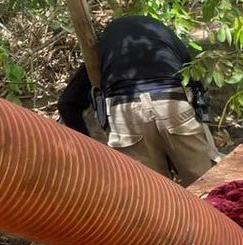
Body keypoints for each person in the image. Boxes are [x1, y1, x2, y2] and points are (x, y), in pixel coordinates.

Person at [58, 15, 219, 185]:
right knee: (208, 189)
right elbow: (196, 85)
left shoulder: (104, 49)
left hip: (125, 114)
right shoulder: (166, 37)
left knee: (153, 198)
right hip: (171, 102)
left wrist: (91, 152)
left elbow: (67, 102)